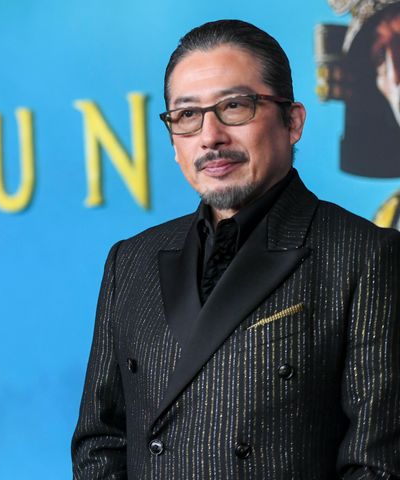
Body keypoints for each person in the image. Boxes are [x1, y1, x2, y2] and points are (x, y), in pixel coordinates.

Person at [72, 19, 400, 479]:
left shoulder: (367, 256)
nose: (210, 136)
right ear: (172, 140)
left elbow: (377, 466)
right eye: (187, 115)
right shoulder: (131, 260)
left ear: (293, 121)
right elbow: (100, 441)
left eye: (235, 106)